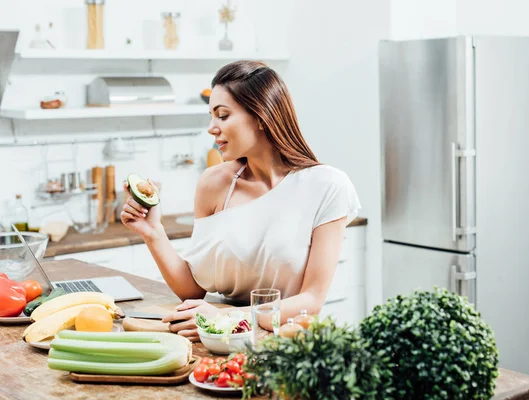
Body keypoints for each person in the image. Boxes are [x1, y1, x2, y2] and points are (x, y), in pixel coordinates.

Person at [121, 60, 360, 342]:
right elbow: (193, 289)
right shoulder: (213, 184)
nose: (212, 128)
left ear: (261, 117)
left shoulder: (327, 186)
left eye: (223, 116)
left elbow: (311, 300)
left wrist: (227, 318)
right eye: (211, 116)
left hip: (285, 347)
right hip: (218, 342)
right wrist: (153, 233)